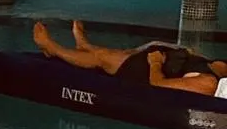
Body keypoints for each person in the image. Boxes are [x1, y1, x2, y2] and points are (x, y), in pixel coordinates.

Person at [33, 20, 227, 90]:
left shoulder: (207, 83)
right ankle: (85, 46)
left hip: (152, 71)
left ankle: (52, 48)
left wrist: (155, 63)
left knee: (103, 58)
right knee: (137, 49)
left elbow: (158, 84)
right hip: (172, 63)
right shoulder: (221, 69)